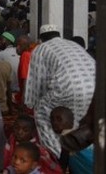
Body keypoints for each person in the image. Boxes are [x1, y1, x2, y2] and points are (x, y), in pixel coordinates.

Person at [24, 24, 95, 158]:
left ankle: (60, 156)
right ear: (58, 35)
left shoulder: (41, 49)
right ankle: (87, 155)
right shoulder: (73, 44)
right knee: (83, 121)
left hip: (68, 86)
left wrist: (30, 103)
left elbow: (38, 81)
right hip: (96, 85)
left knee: (41, 112)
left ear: (41, 39)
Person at [50, 106, 93, 174]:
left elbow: (62, 166)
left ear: (71, 122)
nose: (54, 122)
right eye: (52, 119)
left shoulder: (69, 139)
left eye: (59, 119)